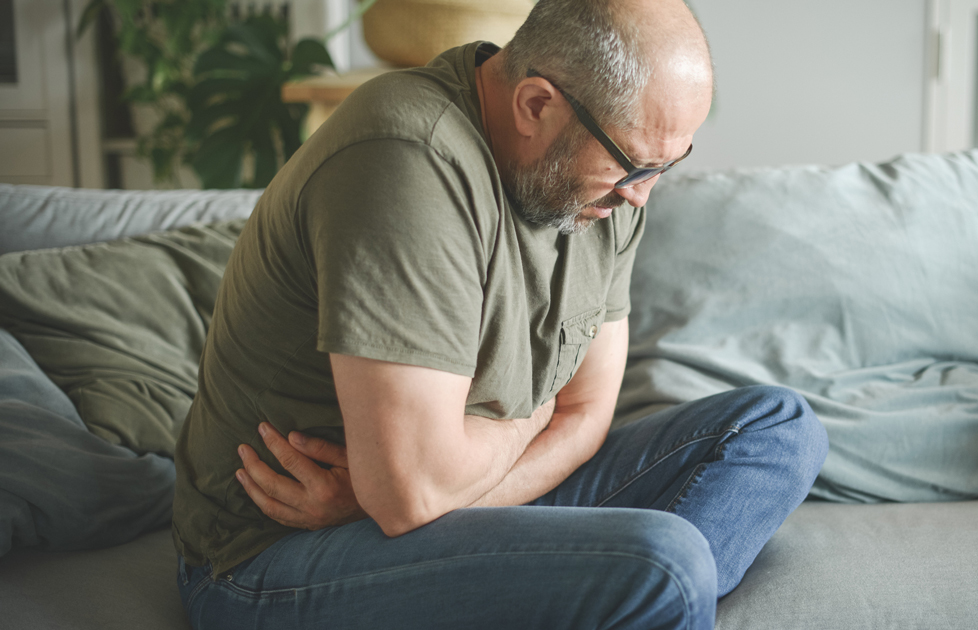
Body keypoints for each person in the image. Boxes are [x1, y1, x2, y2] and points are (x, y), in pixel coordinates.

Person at [172, 0, 828, 628]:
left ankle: (611, 602)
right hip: (269, 561)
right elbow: (415, 491)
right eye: (632, 164)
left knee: (778, 428)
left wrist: (391, 503)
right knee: (664, 562)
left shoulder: (611, 194)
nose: (642, 196)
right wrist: (531, 420)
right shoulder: (406, 157)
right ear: (536, 104)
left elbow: (587, 415)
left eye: (667, 164)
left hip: (380, 512)